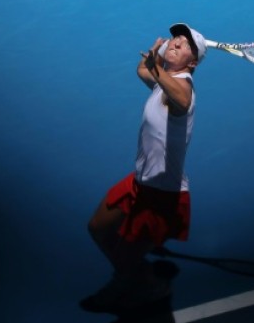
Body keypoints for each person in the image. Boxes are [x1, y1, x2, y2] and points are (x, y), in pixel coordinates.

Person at [81, 23, 207, 313]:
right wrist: (154, 56)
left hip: (162, 194)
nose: (176, 42)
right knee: (98, 228)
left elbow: (182, 99)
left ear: (193, 63)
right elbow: (142, 71)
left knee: (126, 259)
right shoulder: (165, 79)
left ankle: (145, 285)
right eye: (175, 38)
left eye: (185, 44)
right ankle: (132, 275)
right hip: (140, 182)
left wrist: (159, 68)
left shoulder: (181, 88)